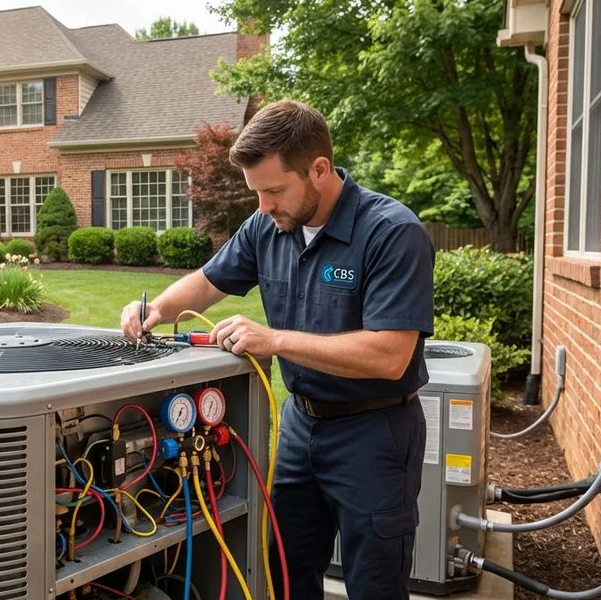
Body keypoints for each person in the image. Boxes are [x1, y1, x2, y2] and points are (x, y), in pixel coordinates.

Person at [121, 99, 434, 600]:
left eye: (273, 190)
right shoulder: (268, 225)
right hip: (300, 428)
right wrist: (154, 308)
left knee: (375, 582)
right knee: (284, 569)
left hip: (376, 435)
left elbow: (389, 354)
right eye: (256, 193)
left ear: (319, 169)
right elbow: (207, 282)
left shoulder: (391, 233)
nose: (263, 206)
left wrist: (275, 340)